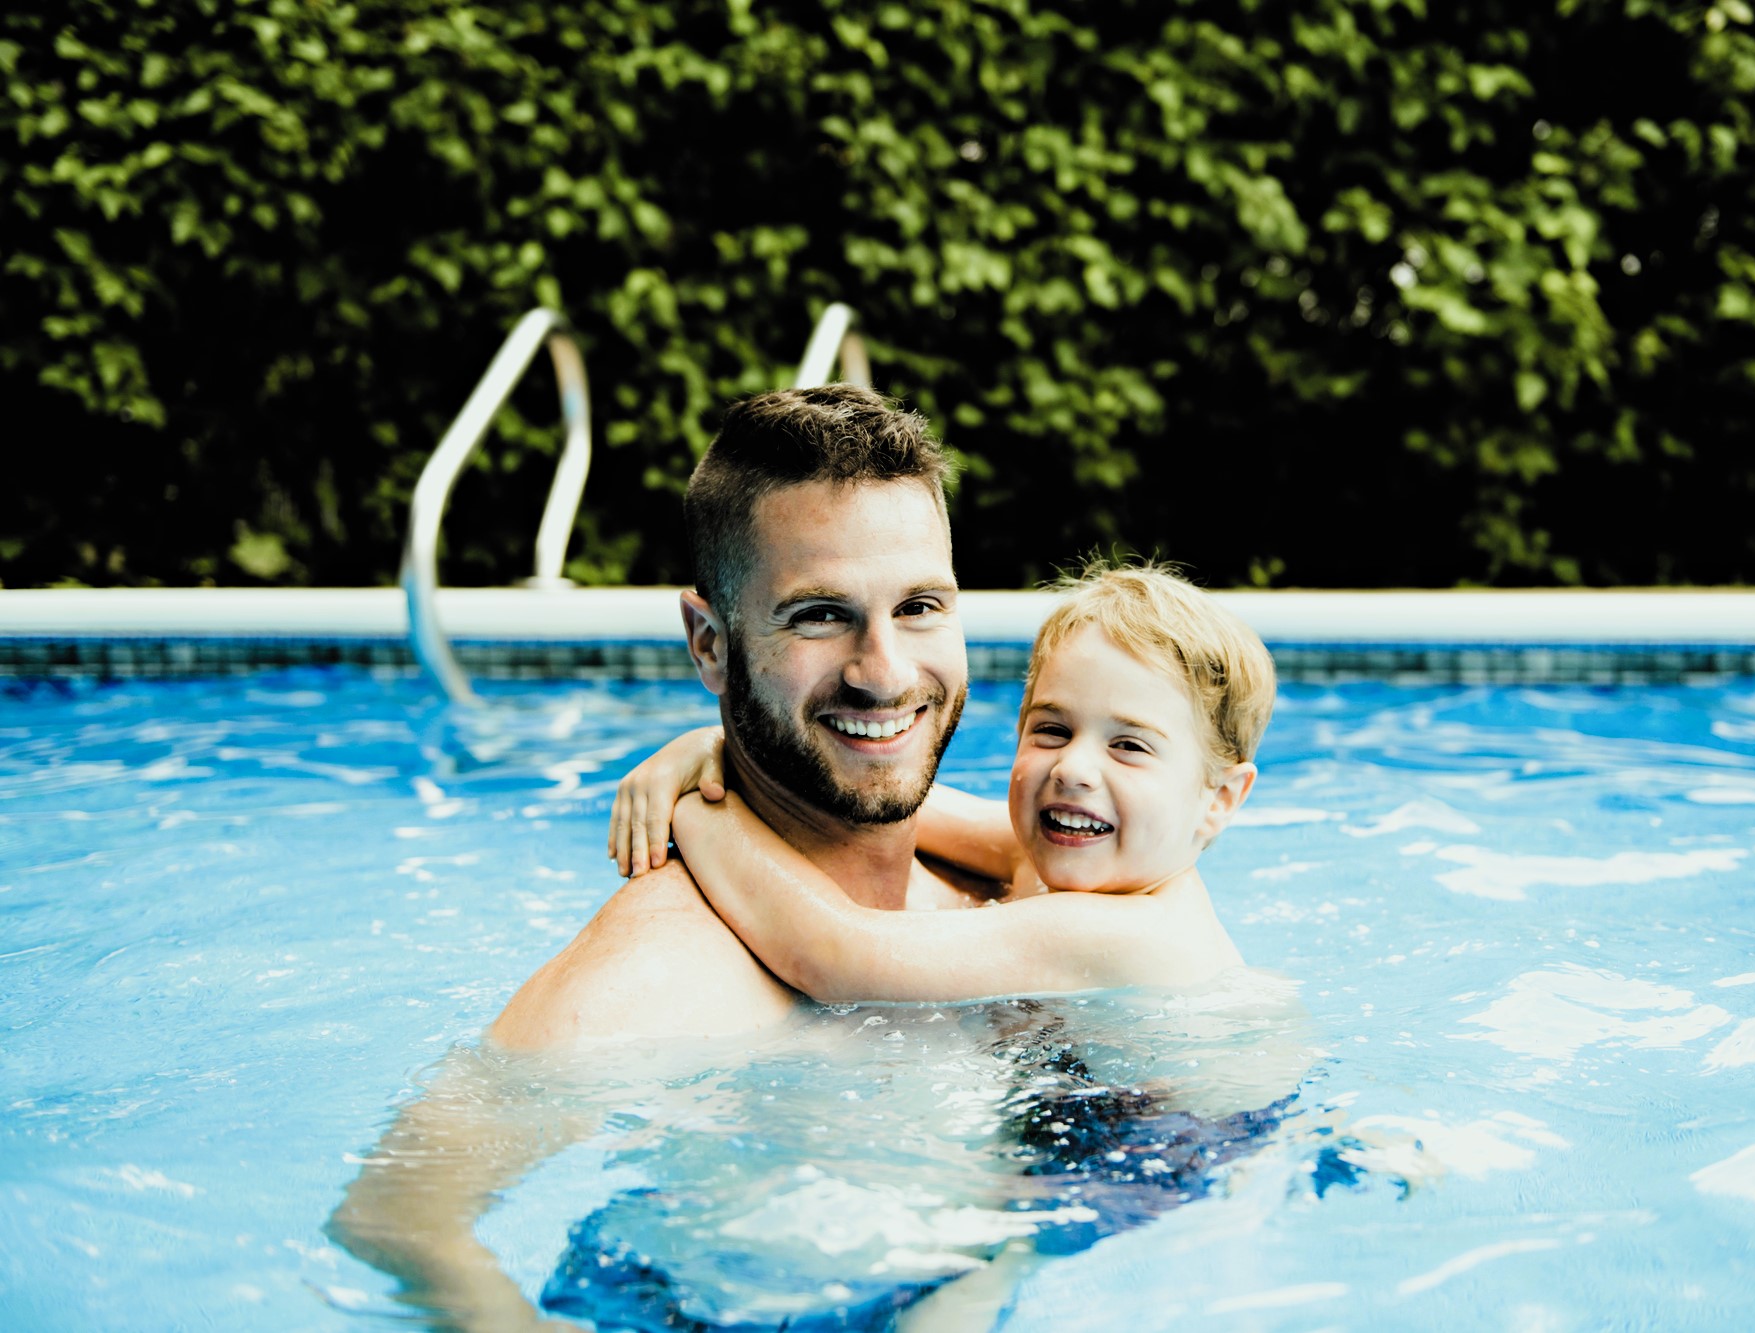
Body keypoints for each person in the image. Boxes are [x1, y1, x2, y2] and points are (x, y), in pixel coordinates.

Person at [331, 384, 1007, 1328]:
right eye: (818, 615)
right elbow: (397, 1214)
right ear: (709, 643)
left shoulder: (1006, 892)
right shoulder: (656, 974)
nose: (884, 670)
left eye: (920, 606)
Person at [613, 563, 1277, 1004]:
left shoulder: (1134, 931)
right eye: (1051, 729)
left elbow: (836, 955)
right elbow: (879, 801)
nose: (1073, 768)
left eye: (1128, 746)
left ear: (1217, 800)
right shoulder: (1067, 849)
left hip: (1183, 1156)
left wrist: (701, 811)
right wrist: (720, 750)